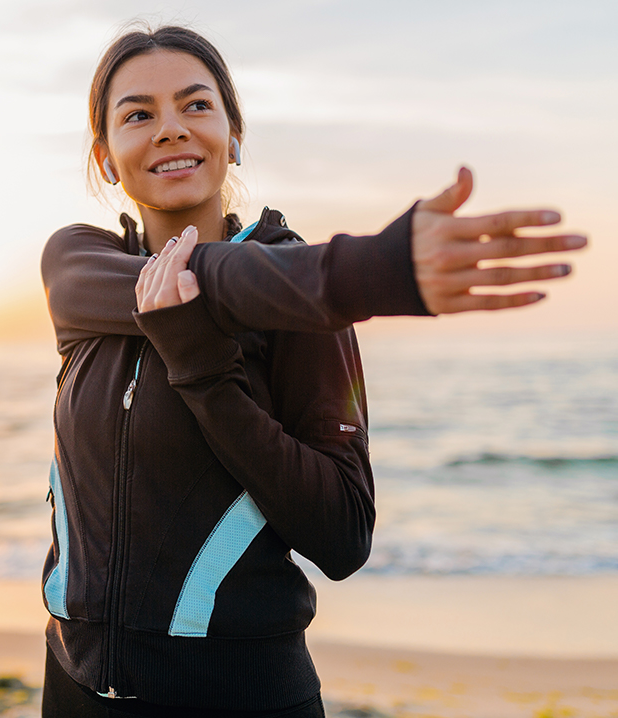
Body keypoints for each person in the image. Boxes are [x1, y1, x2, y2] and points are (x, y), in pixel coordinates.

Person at [40, 25, 586, 718]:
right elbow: (207, 279)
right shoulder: (76, 267)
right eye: (138, 114)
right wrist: (372, 271)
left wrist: (206, 374)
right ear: (106, 157)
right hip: (73, 687)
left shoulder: (297, 306)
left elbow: (342, 537)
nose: (171, 129)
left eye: (196, 106)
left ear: (234, 136)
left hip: (243, 698)